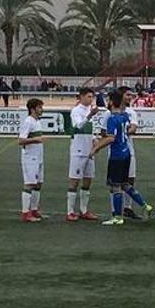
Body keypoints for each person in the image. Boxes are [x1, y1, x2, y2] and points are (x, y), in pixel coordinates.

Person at [89, 91, 154, 226]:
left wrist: (96, 148)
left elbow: (111, 138)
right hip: (126, 153)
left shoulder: (112, 118)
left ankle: (118, 216)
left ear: (112, 102)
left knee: (115, 186)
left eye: (108, 100)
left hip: (117, 155)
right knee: (125, 184)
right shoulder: (124, 116)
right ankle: (145, 205)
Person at [66, 88, 99, 222]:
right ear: (81, 97)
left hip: (89, 151)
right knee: (74, 180)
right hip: (78, 151)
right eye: (89, 96)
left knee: (88, 180)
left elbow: (91, 129)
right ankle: (70, 211)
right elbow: (78, 125)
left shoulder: (89, 110)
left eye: (92, 97)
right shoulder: (76, 111)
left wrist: (95, 139)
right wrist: (90, 115)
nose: (91, 99)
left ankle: (84, 210)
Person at [18, 98, 46, 223]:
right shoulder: (28, 122)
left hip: (38, 156)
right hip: (30, 157)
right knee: (29, 183)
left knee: (38, 183)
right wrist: (36, 140)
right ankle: (25, 212)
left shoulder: (37, 121)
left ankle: (34, 209)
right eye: (39, 107)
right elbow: (21, 140)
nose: (41, 110)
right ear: (32, 109)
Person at [120, 88, 142, 219]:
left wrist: (123, 131)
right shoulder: (112, 111)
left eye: (131, 95)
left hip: (129, 150)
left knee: (130, 179)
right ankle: (116, 210)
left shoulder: (131, 112)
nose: (130, 97)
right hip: (117, 151)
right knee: (116, 181)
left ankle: (128, 207)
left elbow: (133, 128)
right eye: (127, 95)